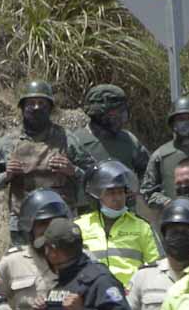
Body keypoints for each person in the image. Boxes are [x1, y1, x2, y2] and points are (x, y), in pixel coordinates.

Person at [0, 78, 84, 243]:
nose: (36, 107)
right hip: (23, 223)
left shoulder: (67, 139)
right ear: (22, 107)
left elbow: (94, 177)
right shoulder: (9, 142)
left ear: (50, 108)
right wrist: (6, 175)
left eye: (42, 103)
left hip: (60, 221)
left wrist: (73, 170)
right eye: (31, 103)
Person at [64, 85, 150, 214]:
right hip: (88, 219)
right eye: (116, 113)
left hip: (124, 218)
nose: (122, 118)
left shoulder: (129, 140)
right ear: (99, 114)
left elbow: (148, 172)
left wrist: (137, 189)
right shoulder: (75, 141)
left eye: (123, 112)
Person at [75, 161, 160, 287]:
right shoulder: (79, 226)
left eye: (120, 192)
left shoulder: (142, 226)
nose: (118, 198)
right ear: (97, 195)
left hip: (130, 296)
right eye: (110, 193)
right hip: (92, 296)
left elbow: (156, 266)